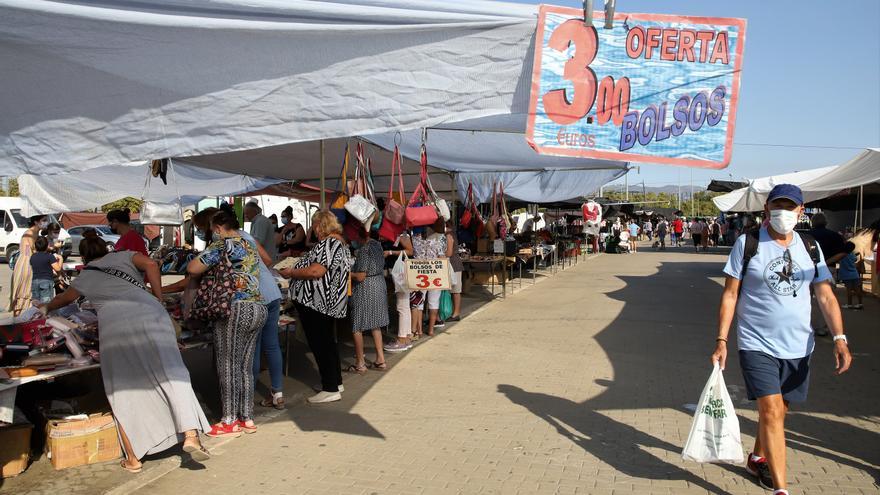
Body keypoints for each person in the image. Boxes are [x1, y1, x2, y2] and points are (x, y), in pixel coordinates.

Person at [712, 184, 851, 495]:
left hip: (799, 345)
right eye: (778, 206)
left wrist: (840, 338)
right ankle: (781, 489)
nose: (783, 213)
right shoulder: (748, 244)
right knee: (772, 411)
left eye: (790, 207)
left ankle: (758, 456)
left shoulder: (811, 247)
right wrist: (721, 340)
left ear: (801, 211)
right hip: (756, 342)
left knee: (779, 409)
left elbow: (826, 296)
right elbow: (730, 294)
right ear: (766, 209)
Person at [38, 237, 211, 472]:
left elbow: (62, 299)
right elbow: (151, 264)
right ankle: (191, 434)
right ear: (106, 248)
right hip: (152, 314)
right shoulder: (123, 255)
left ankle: (133, 459)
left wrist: (44, 308)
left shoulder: (85, 276)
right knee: (173, 373)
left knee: (121, 389)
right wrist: (158, 298)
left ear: (84, 256)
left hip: (116, 326)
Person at [188, 210, 268, 436]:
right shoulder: (248, 243)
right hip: (258, 307)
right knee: (245, 367)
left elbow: (193, 268)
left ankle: (229, 420)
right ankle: (247, 418)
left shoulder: (222, 244)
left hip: (234, 307)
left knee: (227, 364)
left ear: (217, 228)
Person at [279, 210, 353, 404]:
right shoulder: (341, 243)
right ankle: (334, 382)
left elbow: (316, 271)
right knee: (328, 343)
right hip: (328, 303)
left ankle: (330, 388)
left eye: (314, 226)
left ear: (321, 225)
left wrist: (292, 272)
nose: (313, 230)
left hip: (318, 303)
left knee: (321, 344)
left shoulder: (330, 243)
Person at [346, 225, 388, 374]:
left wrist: (347, 273)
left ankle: (360, 363)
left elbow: (361, 276)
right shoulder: (377, 245)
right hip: (379, 285)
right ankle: (380, 359)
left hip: (366, 288)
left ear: (360, 236)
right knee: (375, 324)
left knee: (357, 326)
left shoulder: (364, 250)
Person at [411, 219, 449, 336]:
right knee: (434, 302)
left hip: (421, 273)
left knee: (419, 302)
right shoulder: (440, 241)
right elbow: (442, 258)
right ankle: (431, 329)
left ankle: (419, 330)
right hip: (435, 274)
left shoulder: (418, 241)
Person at [8, 215, 47, 314]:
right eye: (44, 220)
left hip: (32, 264)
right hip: (25, 265)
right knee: (23, 292)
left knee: (29, 292)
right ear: (36, 222)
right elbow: (34, 250)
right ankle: (18, 321)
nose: (46, 222)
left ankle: (23, 321)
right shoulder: (29, 233)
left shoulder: (36, 233)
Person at [29, 236, 62, 304]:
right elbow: (58, 269)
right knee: (46, 304)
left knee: (36, 303)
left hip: (35, 281)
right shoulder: (49, 256)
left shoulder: (33, 256)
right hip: (46, 281)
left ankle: (36, 314)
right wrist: (61, 259)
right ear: (47, 246)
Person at [445, 220, 464, 321]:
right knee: (454, 291)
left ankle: (456, 313)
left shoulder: (448, 234)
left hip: (454, 264)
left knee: (455, 290)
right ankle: (453, 312)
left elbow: (449, 253)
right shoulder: (450, 233)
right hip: (453, 264)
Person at [837, 241, 863, 310]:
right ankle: (860, 304)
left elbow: (837, 260)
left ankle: (849, 304)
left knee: (849, 290)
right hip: (855, 274)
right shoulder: (852, 254)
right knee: (857, 290)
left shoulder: (842, 255)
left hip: (846, 275)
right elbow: (855, 259)